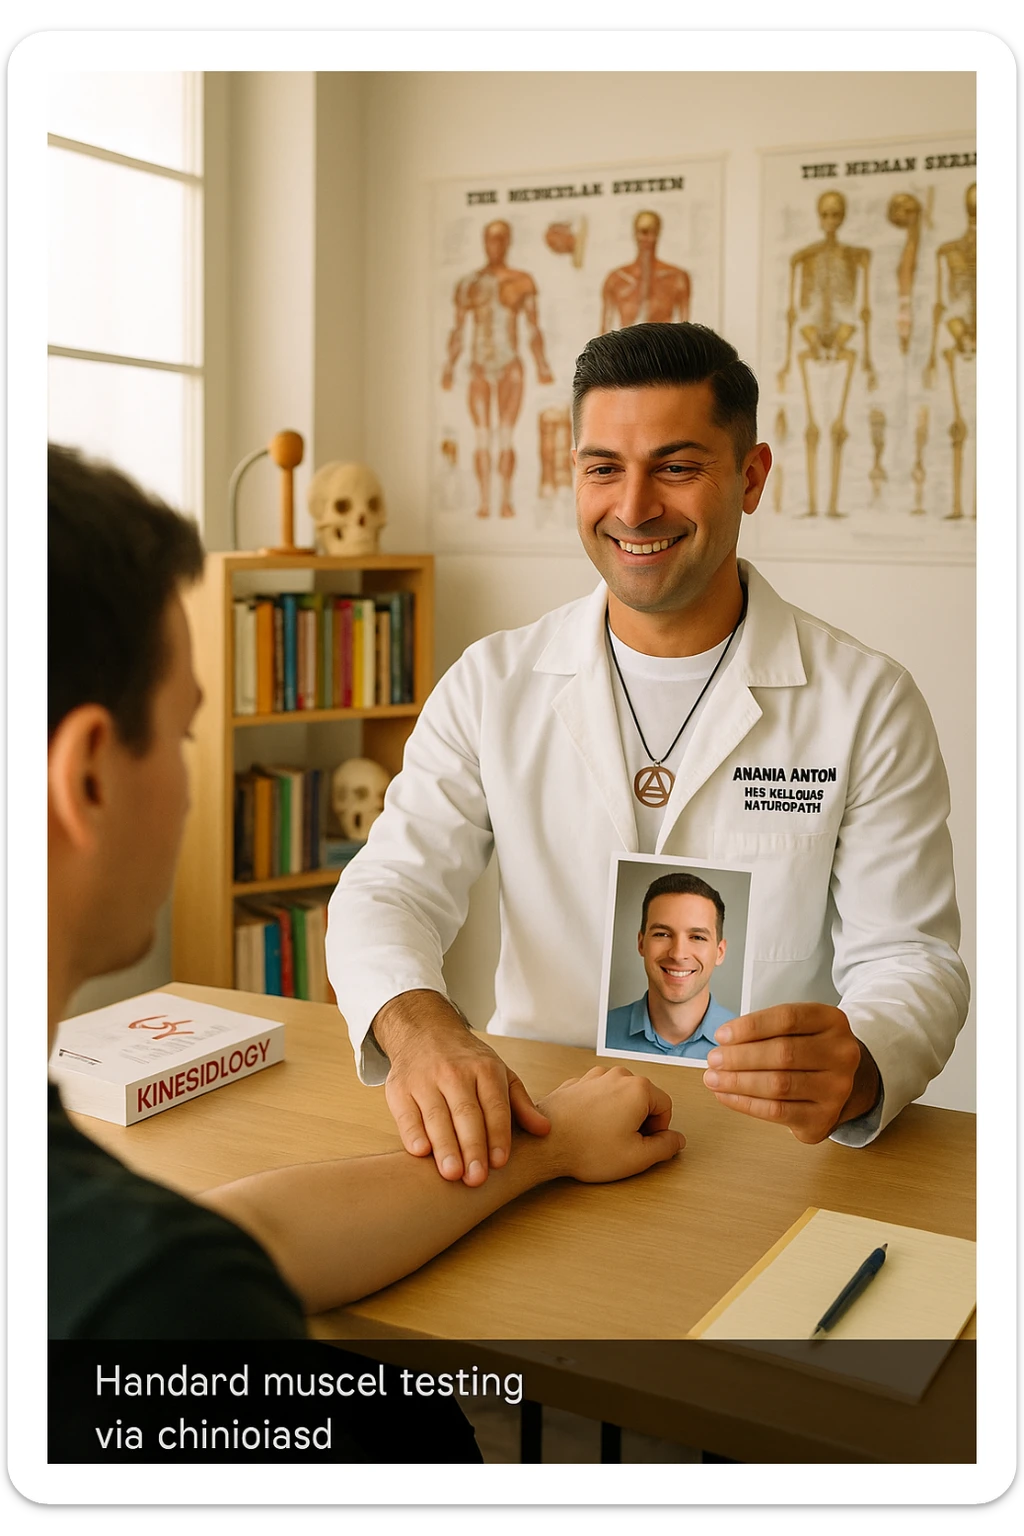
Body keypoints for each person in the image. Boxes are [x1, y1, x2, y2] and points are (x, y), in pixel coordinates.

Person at [46, 444, 686, 1365]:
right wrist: (430, 1036)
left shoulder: (131, 1251)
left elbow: (241, 1234)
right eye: (186, 732)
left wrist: (545, 1150)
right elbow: (188, 1271)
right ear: (91, 779)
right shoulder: (157, 1297)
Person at [327, 321, 969, 1182]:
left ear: (751, 477)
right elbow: (388, 885)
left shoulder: (866, 703)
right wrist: (422, 1028)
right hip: (535, 1133)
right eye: (603, 468)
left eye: (676, 467)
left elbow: (910, 957)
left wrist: (861, 1065)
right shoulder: (492, 683)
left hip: (762, 1156)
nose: (632, 509)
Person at [440, 218, 554, 519]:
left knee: (504, 436)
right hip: (478, 365)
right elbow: (457, 329)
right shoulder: (469, 284)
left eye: (501, 239)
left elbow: (533, 327)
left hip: (509, 367)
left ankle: (504, 500)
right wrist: (449, 367)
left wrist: (542, 365)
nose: (495, 245)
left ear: (508, 242)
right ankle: (484, 502)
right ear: (484, 242)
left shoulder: (521, 282)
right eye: (490, 239)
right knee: (481, 436)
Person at [605, 873, 737, 1061]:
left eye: (697, 937)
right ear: (641, 944)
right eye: (662, 934)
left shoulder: (744, 1044)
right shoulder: (602, 1031)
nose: (677, 954)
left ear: (720, 952)